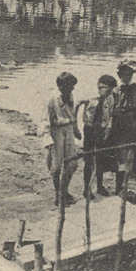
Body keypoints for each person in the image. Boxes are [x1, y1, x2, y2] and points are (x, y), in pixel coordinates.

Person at [110, 59, 136, 198]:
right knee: (120, 158)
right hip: (119, 128)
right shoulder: (115, 90)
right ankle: (118, 188)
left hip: (131, 128)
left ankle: (124, 187)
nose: (127, 77)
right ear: (120, 75)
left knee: (131, 157)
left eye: (130, 75)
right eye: (125, 74)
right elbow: (110, 110)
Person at [77, 75, 116, 200]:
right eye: (107, 90)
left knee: (101, 159)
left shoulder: (110, 99)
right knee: (89, 160)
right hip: (89, 129)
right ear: (100, 86)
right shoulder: (90, 95)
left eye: (111, 90)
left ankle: (99, 185)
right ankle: (86, 188)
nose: (109, 93)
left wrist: (108, 130)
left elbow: (111, 115)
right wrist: (74, 125)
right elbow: (76, 104)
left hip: (102, 130)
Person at [47, 72, 82, 207]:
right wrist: (48, 141)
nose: (72, 89)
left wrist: (75, 129)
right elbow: (49, 120)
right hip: (57, 132)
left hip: (68, 131)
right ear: (61, 87)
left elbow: (72, 113)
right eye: (70, 86)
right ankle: (58, 195)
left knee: (72, 163)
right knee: (57, 166)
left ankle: (64, 191)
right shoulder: (53, 99)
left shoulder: (70, 96)